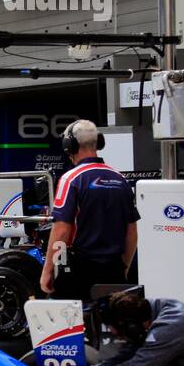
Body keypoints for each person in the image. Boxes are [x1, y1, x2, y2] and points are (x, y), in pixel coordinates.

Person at [39, 119, 138, 301]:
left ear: (70, 146)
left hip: (80, 269)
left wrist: (47, 271)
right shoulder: (120, 179)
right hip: (114, 268)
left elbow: (61, 230)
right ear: (98, 143)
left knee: (69, 325)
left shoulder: (71, 179)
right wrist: (123, 267)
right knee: (110, 325)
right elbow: (131, 232)